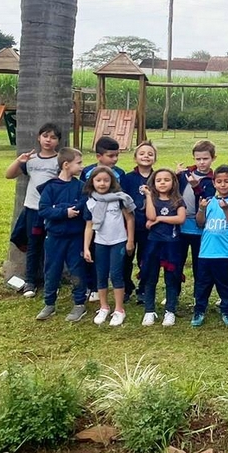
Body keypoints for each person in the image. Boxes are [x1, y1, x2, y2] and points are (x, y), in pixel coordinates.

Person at [5, 122, 62, 298]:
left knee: (51, 247)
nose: (48, 140)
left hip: (52, 212)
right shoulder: (30, 160)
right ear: (39, 138)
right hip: (33, 211)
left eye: (53, 137)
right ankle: (30, 281)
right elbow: (9, 174)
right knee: (33, 245)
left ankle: (52, 280)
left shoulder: (60, 161)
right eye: (45, 136)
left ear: (58, 141)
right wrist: (19, 160)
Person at [36, 147, 91, 321]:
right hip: (54, 237)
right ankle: (49, 303)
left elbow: (81, 206)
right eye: (79, 163)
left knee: (77, 269)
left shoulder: (81, 187)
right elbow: (43, 210)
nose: (82, 166)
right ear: (66, 165)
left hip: (75, 237)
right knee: (52, 270)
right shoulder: (50, 187)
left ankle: (79, 304)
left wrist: (57, 208)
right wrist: (64, 212)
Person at [81, 166, 135, 327]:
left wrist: (130, 240)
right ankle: (104, 306)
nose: (102, 183)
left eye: (106, 180)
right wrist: (86, 248)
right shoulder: (90, 202)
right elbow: (89, 226)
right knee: (101, 274)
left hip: (118, 241)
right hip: (100, 243)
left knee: (116, 274)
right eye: (98, 180)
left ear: (112, 182)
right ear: (92, 182)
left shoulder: (119, 199)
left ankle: (119, 309)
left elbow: (130, 219)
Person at [194, 164, 228, 327]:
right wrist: (201, 209)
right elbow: (200, 223)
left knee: (225, 285)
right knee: (202, 285)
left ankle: (227, 310)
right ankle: (199, 310)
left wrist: (226, 210)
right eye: (219, 181)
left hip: (226, 253)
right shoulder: (208, 201)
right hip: (206, 252)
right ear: (214, 183)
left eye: (227, 181)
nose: (223, 185)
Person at [140, 168, 186, 326]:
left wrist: (160, 218)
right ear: (153, 183)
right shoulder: (151, 199)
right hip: (153, 243)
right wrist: (148, 195)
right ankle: (149, 311)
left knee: (171, 278)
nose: (162, 183)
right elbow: (150, 216)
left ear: (173, 182)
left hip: (172, 244)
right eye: (158, 180)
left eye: (167, 180)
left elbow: (180, 219)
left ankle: (170, 311)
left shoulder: (178, 200)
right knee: (150, 277)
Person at [118, 140, 156, 304]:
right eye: (142, 153)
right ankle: (126, 288)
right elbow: (122, 201)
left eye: (150, 154)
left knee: (146, 259)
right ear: (135, 158)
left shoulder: (158, 178)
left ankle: (144, 289)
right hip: (129, 226)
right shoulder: (128, 178)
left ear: (154, 158)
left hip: (150, 227)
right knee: (126, 259)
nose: (146, 156)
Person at [177, 139, 218, 290]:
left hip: (200, 228)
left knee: (199, 265)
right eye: (198, 158)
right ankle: (173, 293)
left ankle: (198, 295)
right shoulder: (185, 174)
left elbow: (207, 200)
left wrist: (196, 187)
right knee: (177, 262)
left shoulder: (213, 179)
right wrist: (176, 176)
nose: (201, 162)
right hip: (181, 225)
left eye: (205, 158)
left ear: (213, 158)